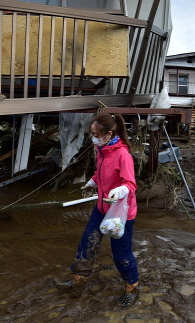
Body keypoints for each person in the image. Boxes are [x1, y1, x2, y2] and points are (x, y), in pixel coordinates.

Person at [53, 113, 139, 307]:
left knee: (121, 254)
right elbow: (101, 172)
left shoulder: (122, 154)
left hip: (120, 214)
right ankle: (78, 283)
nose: (92, 137)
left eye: (95, 133)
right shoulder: (103, 150)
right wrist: (92, 182)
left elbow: (130, 184)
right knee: (87, 243)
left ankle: (132, 286)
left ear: (108, 134)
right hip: (102, 207)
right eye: (91, 132)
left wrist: (119, 191)